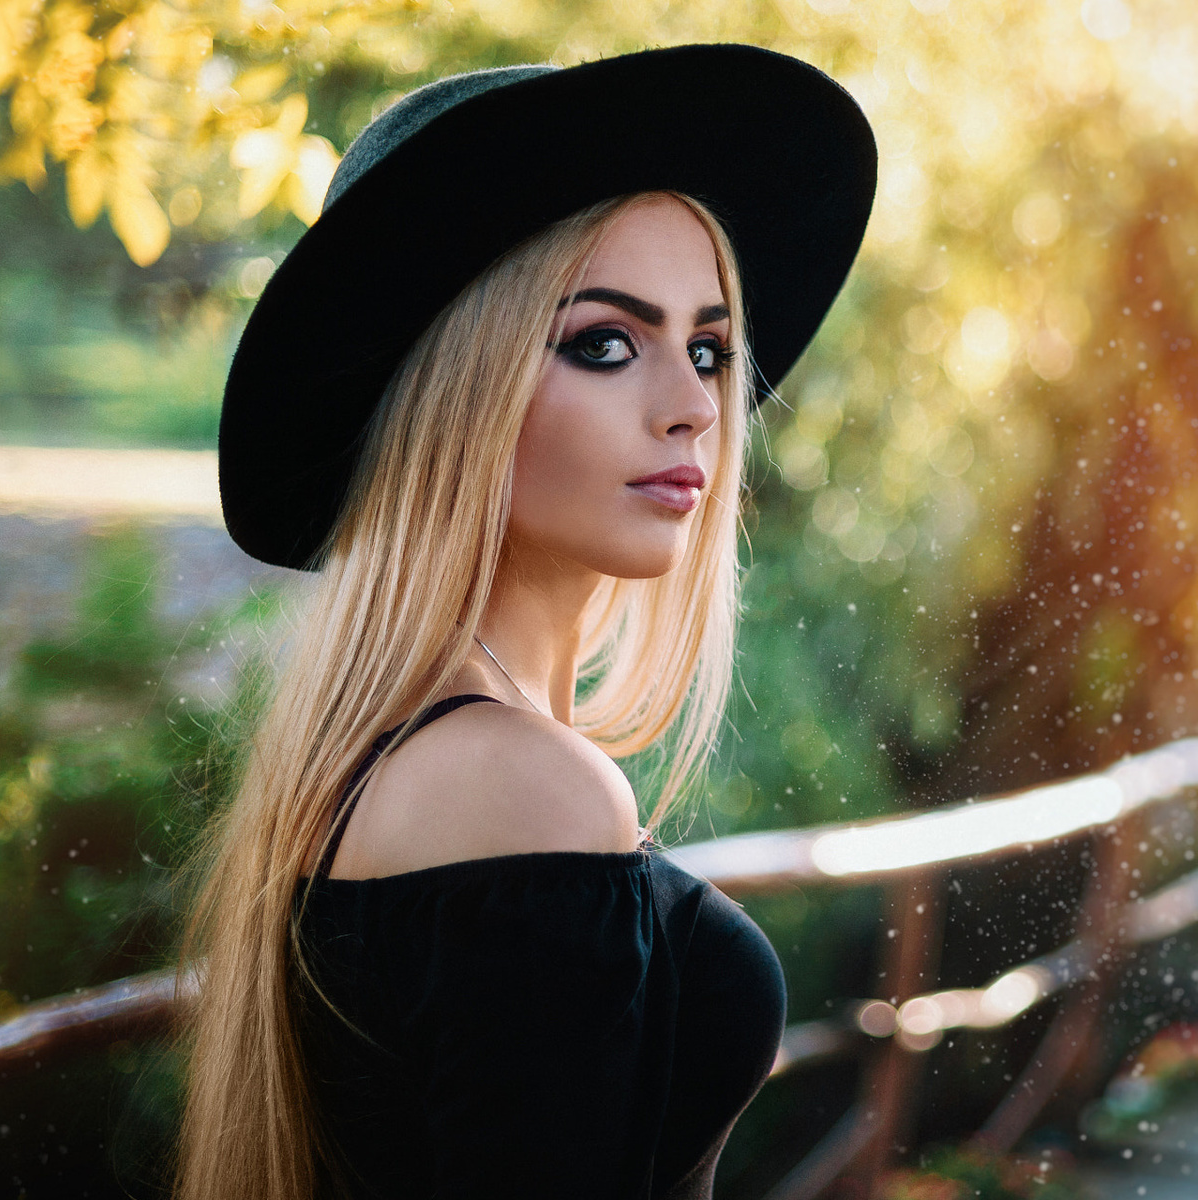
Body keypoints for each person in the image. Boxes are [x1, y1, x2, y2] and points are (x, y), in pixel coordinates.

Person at [174, 45, 876, 1200]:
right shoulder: (520, 791)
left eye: (708, 348)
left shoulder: (397, 759)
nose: (696, 406)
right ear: (457, 391)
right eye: (606, 342)